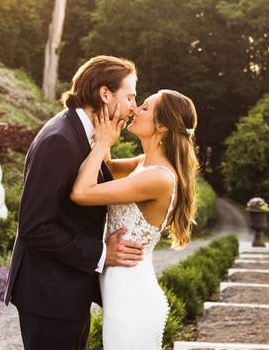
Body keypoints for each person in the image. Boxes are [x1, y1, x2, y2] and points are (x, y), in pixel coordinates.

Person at [4, 55, 145, 350]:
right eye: (130, 96)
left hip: (67, 290)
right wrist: (102, 253)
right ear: (105, 93)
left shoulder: (85, 134)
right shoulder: (60, 139)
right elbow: (35, 226)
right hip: (49, 295)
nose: (134, 105)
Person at [70, 89, 199, 349]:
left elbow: (81, 192)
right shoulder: (144, 164)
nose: (136, 109)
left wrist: (104, 143)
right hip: (123, 295)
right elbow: (104, 169)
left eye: (145, 107)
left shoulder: (158, 178)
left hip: (132, 302)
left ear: (161, 125)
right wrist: (109, 127)